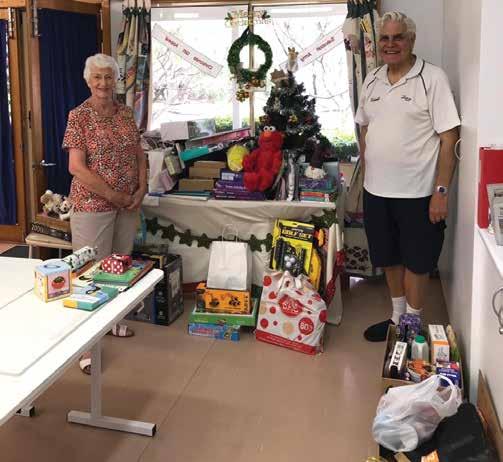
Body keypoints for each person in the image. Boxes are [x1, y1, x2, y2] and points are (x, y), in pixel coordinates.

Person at [355, 12, 460, 342]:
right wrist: (367, 174)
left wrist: (441, 191)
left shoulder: (433, 78)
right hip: (377, 192)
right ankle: (396, 318)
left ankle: (411, 327)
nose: (390, 44)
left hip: (418, 193)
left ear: (411, 40)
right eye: (385, 38)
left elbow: (449, 138)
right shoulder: (372, 79)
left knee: (417, 262)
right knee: (389, 258)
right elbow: (365, 128)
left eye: (398, 37)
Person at [62, 53, 147, 372]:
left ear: (116, 80)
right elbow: (76, 167)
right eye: (97, 77)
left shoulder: (125, 112)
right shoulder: (79, 116)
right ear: (88, 81)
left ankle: (113, 322)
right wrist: (114, 195)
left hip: (128, 204)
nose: (103, 83)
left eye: (109, 76)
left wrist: (142, 188)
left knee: (119, 268)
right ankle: (86, 347)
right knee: (89, 274)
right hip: (92, 205)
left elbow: (138, 154)